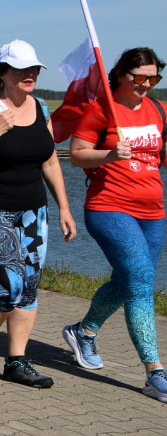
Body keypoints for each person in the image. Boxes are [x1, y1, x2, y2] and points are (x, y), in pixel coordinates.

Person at [0, 39, 75, 388]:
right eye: (22, 69)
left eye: (34, 69)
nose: (30, 74)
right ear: (4, 73)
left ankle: (17, 361)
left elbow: (49, 158)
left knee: (30, 287)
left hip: (34, 209)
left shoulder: (40, 107)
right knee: (9, 283)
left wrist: (64, 207)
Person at [61, 47, 167, 401]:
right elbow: (76, 156)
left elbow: (160, 157)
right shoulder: (100, 109)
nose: (146, 84)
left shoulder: (159, 110)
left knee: (127, 281)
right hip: (109, 207)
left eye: (154, 77)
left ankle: (84, 331)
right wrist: (109, 154)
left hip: (152, 211)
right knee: (139, 281)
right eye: (139, 77)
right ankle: (154, 373)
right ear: (121, 75)